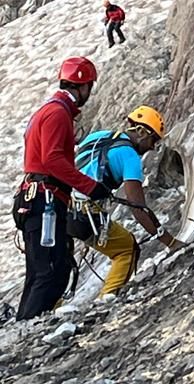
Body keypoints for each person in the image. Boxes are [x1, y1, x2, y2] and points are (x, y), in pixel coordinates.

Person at [13, 57, 111, 321]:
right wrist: (90, 187)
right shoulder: (58, 114)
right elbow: (53, 160)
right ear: (82, 86)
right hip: (45, 200)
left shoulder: (48, 111)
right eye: (89, 86)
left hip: (35, 198)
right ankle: (29, 330)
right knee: (51, 273)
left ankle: (24, 326)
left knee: (40, 272)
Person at [69, 105, 183, 297]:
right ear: (142, 132)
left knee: (59, 267)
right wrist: (170, 242)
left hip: (63, 206)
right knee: (127, 249)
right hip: (85, 215)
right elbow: (138, 208)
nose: (152, 147)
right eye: (153, 140)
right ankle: (106, 299)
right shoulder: (130, 157)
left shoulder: (97, 136)